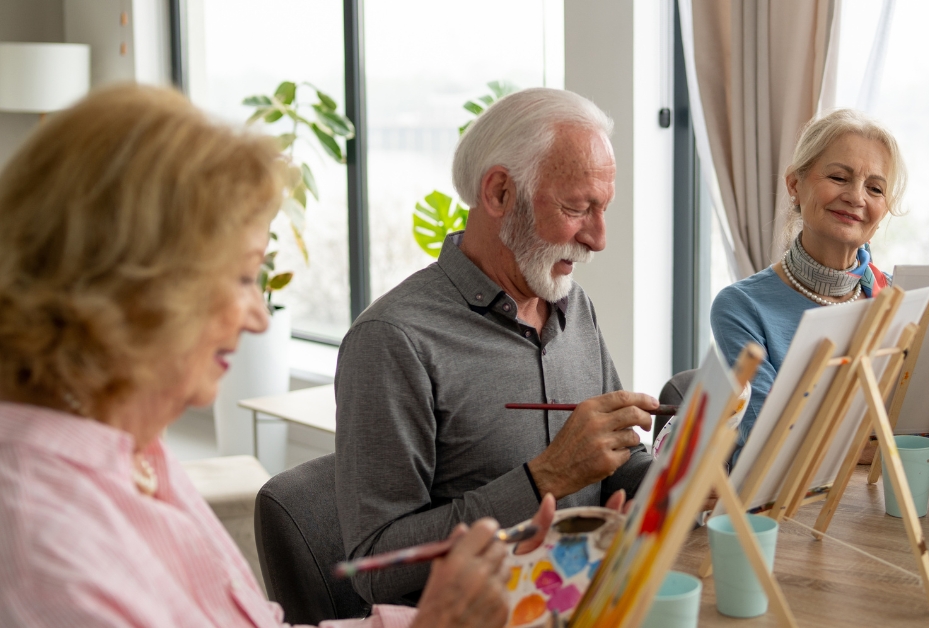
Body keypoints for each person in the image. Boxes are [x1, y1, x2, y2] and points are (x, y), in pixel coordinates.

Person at [0, 84, 528, 628]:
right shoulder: (45, 550)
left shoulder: (134, 455)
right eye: (243, 276)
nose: (257, 316)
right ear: (138, 283)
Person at [334, 88, 658, 604]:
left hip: (586, 601)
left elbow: (619, 466)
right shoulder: (393, 341)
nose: (598, 238)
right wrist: (546, 477)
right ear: (500, 193)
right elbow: (373, 567)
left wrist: (683, 475)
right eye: (577, 208)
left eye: (603, 209)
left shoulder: (576, 310)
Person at [710, 108, 907, 465]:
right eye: (838, 177)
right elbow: (768, 441)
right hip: (780, 512)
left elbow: (920, 428)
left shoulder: (897, 299)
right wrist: (863, 445)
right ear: (795, 185)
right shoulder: (740, 307)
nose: (856, 197)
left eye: (875, 188)